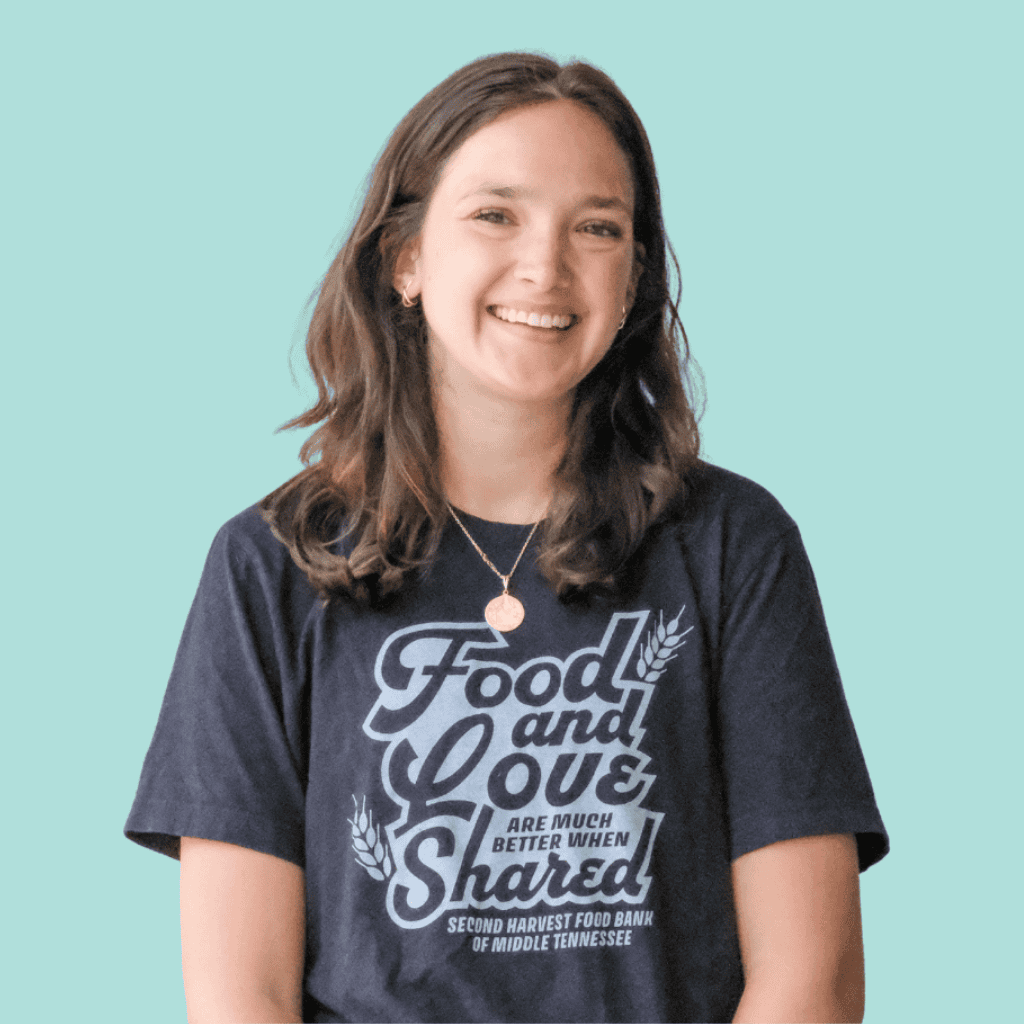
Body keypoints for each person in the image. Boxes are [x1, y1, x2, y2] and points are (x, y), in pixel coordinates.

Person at [125, 52, 888, 1023]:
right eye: (495, 214)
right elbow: (243, 997)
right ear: (403, 256)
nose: (545, 266)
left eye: (597, 228)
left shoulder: (733, 547)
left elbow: (812, 982)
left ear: (634, 275)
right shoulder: (270, 567)